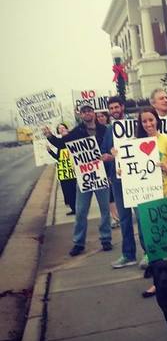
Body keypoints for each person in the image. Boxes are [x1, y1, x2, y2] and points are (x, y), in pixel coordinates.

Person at [43, 103, 112, 256]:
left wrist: (109, 158)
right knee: (80, 211)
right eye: (84, 112)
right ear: (81, 115)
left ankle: (106, 239)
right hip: (84, 177)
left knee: (105, 210)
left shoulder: (104, 130)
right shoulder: (76, 131)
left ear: (93, 113)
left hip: (101, 175)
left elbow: (112, 148)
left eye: (89, 111)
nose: (87, 113)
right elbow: (62, 144)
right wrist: (49, 135)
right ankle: (78, 243)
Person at [135, 106, 167, 298]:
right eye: (144, 121)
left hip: (165, 193)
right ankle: (157, 281)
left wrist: (166, 167)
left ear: (156, 120)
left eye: (151, 120)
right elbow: (132, 171)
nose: (148, 124)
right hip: (145, 196)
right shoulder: (136, 144)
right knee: (151, 238)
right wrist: (123, 171)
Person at [100, 96, 137, 269]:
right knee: (124, 218)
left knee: (142, 216)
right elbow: (105, 153)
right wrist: (108, 157)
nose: (114, 110)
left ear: (122, 107)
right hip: (118, 178)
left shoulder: (135, 125)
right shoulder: (109, 130)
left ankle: (148, 254)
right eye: (111, 108)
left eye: (117, 107)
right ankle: (128, 255)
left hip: (137, 177)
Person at [47, 123, 76, 216]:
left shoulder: (71, 139)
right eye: (60, 128)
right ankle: (73, 208)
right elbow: (58, 158)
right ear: (58, 131)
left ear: (67, 129)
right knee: (67, 191)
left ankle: (78, 208)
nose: (62, 129)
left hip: (73, 170)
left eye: (63, 127)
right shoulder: (60, 144)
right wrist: (50, 152)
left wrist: (49, 135)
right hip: (64, 171)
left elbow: (60, 142)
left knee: (74, 190)